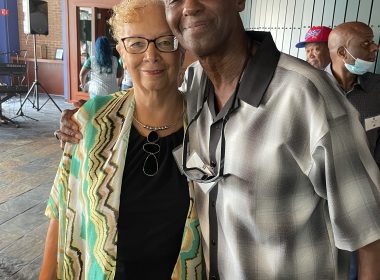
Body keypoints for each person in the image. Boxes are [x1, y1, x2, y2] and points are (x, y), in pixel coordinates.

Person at [58, 0, 380, 279]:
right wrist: (88, 116)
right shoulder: (197, 90)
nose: (190, 5)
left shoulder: (309, 97)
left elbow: (370, 239)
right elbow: (150, 100)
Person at [39, 1, 203, 279]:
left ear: (181, 49)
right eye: (136, 43)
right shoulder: (92, 121)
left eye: (165, 41)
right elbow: (62, 209)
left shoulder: (207, 124)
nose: (151, 54)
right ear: (121, 55)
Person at [327, 21, 380, 280]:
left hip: (372, 200)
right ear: (342, 53)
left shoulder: (377, 90)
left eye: (373, 41)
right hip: (326, 205)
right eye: (366, 43)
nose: (375, 47)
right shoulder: (311, 89)